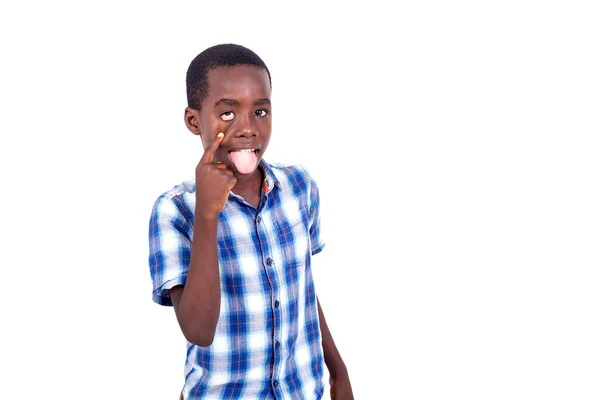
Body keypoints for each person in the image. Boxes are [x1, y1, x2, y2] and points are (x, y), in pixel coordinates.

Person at [148, 43, 354, 399]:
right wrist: (209, 214)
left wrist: (338, 371)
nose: (248, 128)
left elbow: (301, 288)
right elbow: (198, 330)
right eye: (228, 114)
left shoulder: (299, 187)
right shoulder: (175, 211)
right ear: (194, 120)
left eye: (260, 111)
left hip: (302, 390)